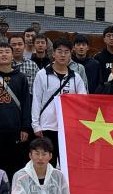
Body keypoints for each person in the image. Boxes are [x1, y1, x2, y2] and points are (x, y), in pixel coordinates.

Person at [0, 43, 32, 179]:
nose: (4, 54)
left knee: (15, 164)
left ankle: (14, 190)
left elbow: (26, 103)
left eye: (7, 52)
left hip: (15, 129)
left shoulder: (21, 78)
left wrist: (25, 127)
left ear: (12, 55)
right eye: (1, 52)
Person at [31, 38, 86, 167]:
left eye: (66, 52)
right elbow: (36, 100)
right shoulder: (42, 75)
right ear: (53, 53)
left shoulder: (76, 77)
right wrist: (36, 125)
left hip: (68, 127)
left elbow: (83, 102)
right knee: (48, 164)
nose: (62, 55)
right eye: (59, 51)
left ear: (70, 54)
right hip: (47, 126)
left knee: (67, 164)